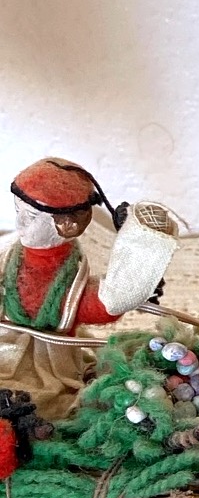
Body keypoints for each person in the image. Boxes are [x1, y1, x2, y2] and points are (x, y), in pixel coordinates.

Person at [0, 158, 178, 421]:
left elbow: (108, 303)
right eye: (18, 212)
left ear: (68, 225)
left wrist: (143, 243)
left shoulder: (70, 282)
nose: (20, 224)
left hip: (50, 361)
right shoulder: (8, 257)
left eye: (32, 216)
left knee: (41, 404)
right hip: (5, 343)